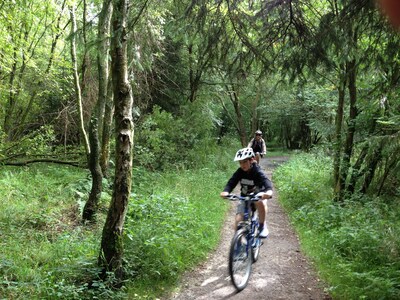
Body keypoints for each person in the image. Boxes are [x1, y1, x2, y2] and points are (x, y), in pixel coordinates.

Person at [220, 147, 273, 238]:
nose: (242, 165)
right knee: (238, 221)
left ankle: (262, 226)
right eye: (240, 162)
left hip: (258, 195)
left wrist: (268, 191)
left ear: (251, 160)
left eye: (244, 162)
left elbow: (266, 181)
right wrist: (226, 191)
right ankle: (238, 245)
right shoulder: (240, 172)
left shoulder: (257, 171)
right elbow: (232, 182)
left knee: (260, 202)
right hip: (245, 197)